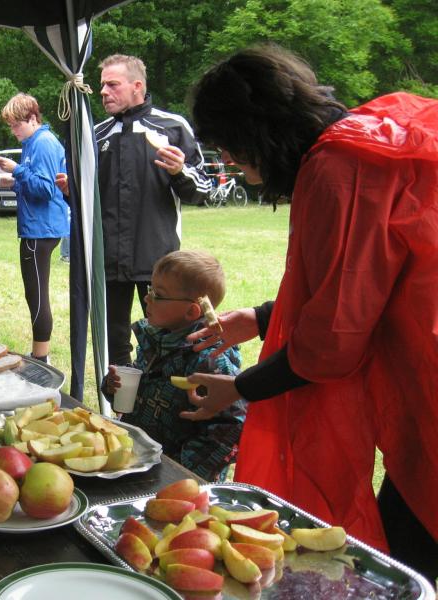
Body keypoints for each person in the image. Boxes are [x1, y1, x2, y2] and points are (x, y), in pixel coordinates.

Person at [183, 44, 438, 579]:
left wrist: (241, 387)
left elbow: (334, 338)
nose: (227, 158)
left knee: (405, 562)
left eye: (226, 143)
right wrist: (261, 318)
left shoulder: (338, 167)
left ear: (253, 130)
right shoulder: (369, 136)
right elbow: (360, 285)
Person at [63, 54, 211, 367]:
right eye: (102, 85)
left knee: (166, 340)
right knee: (113, 343)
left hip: (157, 261)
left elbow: (203, 190)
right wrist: (71, 192)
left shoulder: (172, 127)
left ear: (137, 86)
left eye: (112, 84)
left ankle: (162, 394)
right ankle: (121, 396)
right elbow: (88, 202)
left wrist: (179, 171)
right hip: (108, 261)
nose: (103, 92)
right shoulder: (95, 134)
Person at [102, 250, 244, 481]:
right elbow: (142, 392)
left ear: (191, 311)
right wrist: (113, 386)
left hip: (178, 480)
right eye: (150, 289)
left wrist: (181, 470)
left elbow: (231, 428)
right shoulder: (156, 339)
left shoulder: (209, 360)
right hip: (140, 462)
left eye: (158, 294)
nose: (147, 298)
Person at [0, 93, 68, 363]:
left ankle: (41, 356)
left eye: (17, 124)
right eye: (11, 125)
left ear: (33, 119)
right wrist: (12, 182)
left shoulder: (43, 143)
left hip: (41, 229)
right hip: (38, 227)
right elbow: (33, 183)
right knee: (34, 293)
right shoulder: (32, 143)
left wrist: (17, 171)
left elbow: (46, 189)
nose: (13, 131)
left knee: (36, 295)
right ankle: (39, 353)